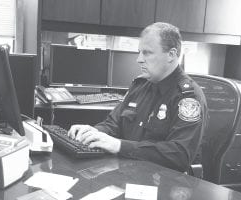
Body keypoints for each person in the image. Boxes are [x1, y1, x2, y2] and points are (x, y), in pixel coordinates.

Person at [68, 22, 207, 172]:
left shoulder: (188, 98)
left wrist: (119, 145)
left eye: (147, 52)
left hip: (160, 181)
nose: (139, 59)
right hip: (125, 170)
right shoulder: (140, 85)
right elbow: (113, 124)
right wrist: (93, 133)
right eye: (139, 52)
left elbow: (179, 155)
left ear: (171, 55)